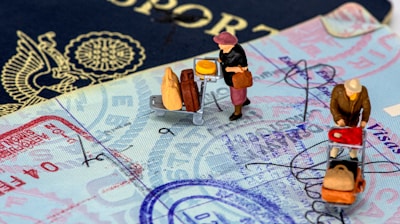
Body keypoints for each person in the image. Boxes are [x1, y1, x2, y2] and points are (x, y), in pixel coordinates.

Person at [329, 78, 371, 160]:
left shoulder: (363, 92)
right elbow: (333, 106)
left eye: (353, 91)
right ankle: (333, 155)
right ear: (345, 87)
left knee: (354, 139)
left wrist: (364, 120)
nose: (350, 92)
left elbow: (367, 107)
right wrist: (338, 118)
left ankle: (353, 156)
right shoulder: (338, 90)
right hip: (340, 120)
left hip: (353, 120)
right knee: (337, 137)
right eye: (349, 90)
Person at [213, 31, 251, 121]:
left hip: (237, 78)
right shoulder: (224, 50)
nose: (219, 45)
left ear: (229, 44)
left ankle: (237, 112)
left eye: (221, 43)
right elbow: (223, 58)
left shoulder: (238, 54)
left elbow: (244, 68)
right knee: (241, 91)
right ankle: (245, 100)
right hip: (229, 77)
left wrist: (230, 69)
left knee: (236, 95)